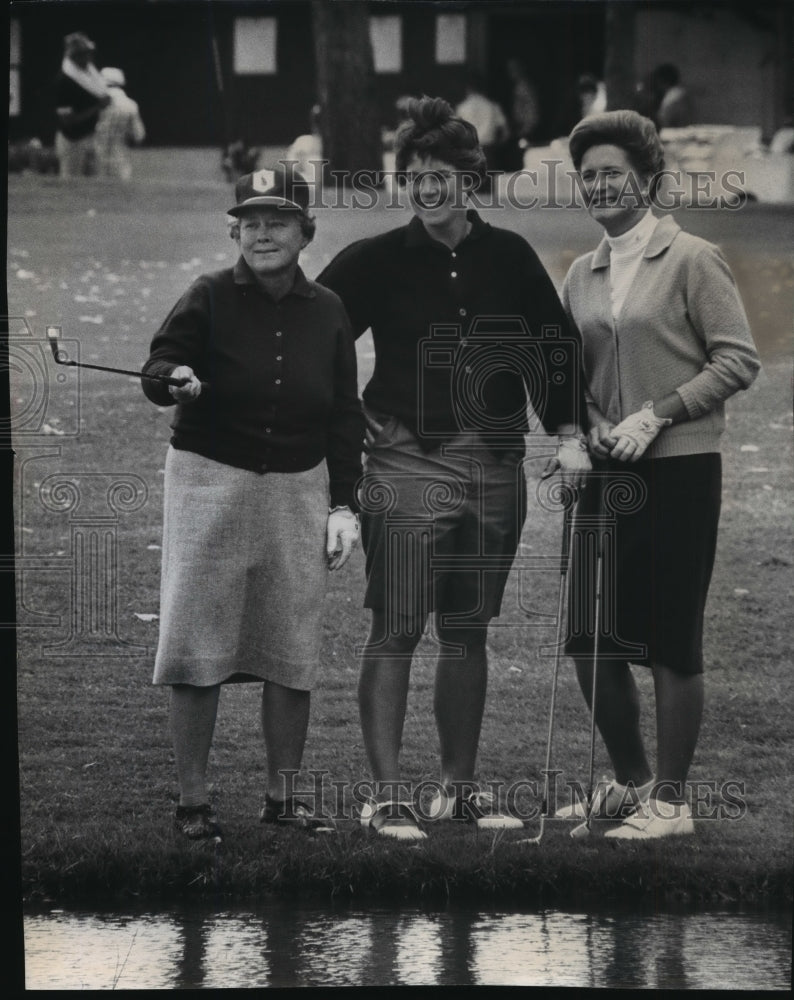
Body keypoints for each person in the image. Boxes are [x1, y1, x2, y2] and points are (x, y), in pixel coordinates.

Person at [318, 96, 590, 840]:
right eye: (415, 176)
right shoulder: (376, 258)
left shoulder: (510, 256)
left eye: (441, 175)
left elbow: (553, 346)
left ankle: (458, 792)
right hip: (407, 457)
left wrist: (569, 433)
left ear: (470, 180)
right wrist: (344, 419)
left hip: (495, 462)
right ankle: (387, 797)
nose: (427, 188)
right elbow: (316, 334)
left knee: (468, 629)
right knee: (398, 626)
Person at [141, 166, 365, 842]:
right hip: (209, 481)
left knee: (290, 646)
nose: (263, 234)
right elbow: (158, 366)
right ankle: (193, 801)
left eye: (279, 222)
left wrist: (344, 505)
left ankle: (282, 799)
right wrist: (173, 377)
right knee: (196, 641)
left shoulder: (328, 308)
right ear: (235, 231)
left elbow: (344, 414)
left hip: (298, 486)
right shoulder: (206, 294)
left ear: (306, 232)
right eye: (252, 222)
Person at [557, 110, 760, 839]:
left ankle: (671, 804)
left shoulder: (693, 258)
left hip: (679, 469)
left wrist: (659, 414)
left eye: (613, 173)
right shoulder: (581, 273)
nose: (599, 186)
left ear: (647, 179)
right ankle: (632, 783)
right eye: (588, 176)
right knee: (590, 637)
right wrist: (588, 424)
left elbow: (737, 359)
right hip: (604, 475)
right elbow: (571, 373)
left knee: (671, 636)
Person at [54, 32, 111, 178]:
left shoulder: (90, 77)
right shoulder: (64, 82)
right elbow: (67, 121)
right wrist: (98, 107)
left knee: (95, 185)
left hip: (91, 136)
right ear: (74, 56)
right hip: (72, 140)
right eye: (84, 53)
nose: (89, 57)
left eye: (89, 53)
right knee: (72, 185)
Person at [94, 67, 146, 180]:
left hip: (95, 159)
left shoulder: (94, 102)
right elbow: (139, 136)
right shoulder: (131, 104)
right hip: (120, 160)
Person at [455, 73, 509, 172]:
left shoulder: (462, 108)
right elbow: (505, 132)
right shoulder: (493, 106)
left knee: (470, 180)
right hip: (489, 150)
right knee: (490, 179)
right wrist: (498, 145)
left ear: (468, 88)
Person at [652, 63, 694, 129]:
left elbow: (662, 121)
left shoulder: (672, 97)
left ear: (661, 80)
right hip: (687, 130)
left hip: (677, 132)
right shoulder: (682, 92)